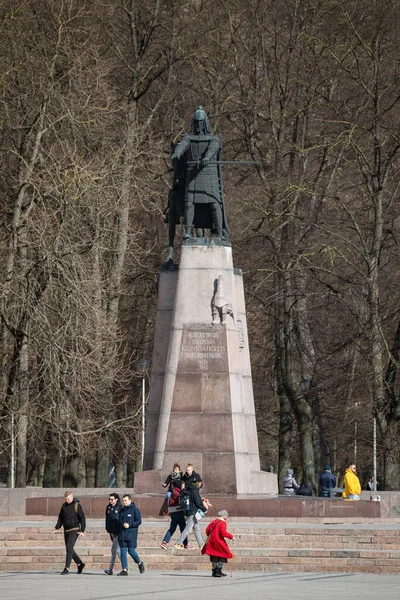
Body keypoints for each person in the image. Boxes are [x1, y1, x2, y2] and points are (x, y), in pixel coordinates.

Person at [171, 106, 229, 240]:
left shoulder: (213, 139)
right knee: (189, 204)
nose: (199, 125)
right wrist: (177, 153)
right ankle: (188, 231)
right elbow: (182, 146)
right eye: (197, 123)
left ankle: (220, 233)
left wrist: (207, 158)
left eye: (201, 123)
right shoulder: (188, 138)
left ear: (205, 123)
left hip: (209, 176)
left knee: (215, 204)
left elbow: (213, 148)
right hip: (193, 176)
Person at [52, 490, 86, 575]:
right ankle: (80, 564)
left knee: (69, 548)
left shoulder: (77, 505)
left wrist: (82, 530)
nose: (67, 501)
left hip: (74, 529)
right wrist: (57, 527)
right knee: (69, 548)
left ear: (72, 496)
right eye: (66, 499)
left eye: (68, 499)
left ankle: (67, 568)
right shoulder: (64, 506)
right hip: (66, 529)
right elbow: (61, 517)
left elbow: (82, 518)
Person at [117, 494, 145, 576]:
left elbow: (139, 521)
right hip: (122, 534)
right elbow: (119, 522)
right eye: (123, 500)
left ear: (130, 500)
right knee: (122, 552)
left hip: (131, 535)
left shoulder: (135, 510)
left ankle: (139, 563)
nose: (124, 502)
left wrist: (130, 525)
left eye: (125, 500)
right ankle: (124, 569)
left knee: (131, 551)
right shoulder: (121, 510)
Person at [174, 481, 208, 549]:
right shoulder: (194, 491)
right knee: (187, 529)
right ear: (196, 483)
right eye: (200, 483)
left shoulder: (187, 490)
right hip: (193, 512)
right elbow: (198, 502)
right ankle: (178, 542)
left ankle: (201, 544)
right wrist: (204, 509)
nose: (201, 485)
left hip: (188, 511)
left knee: (196, 529)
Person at [201, 509, 234, 577]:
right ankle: (218, 570)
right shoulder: (223, 522)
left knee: (214, 555)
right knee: (223, 555)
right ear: (224, 516)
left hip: (211, 541)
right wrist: (231, 537)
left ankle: (214, 571)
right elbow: (223, 533)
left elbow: (207, 530)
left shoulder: (214, 521)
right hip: (219, 541)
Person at [160, 480, 189, 550]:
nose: (183, 486)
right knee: (183, 528)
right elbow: (181, 500)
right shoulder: (178, 492)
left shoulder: (173, 491)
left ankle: (164, 542)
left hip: (173, 513)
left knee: (172, 529)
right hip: (178, 512)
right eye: (182, 485)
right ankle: (186, 544)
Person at [104, 492, 122, 575]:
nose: (110, 501)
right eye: (109, 499)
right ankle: (125, 567)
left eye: (112, 499)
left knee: (114, 550)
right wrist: (107, 527)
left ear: (116, 499)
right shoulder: (108, 507)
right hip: (111, 531)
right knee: (118, 551)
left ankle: (110, 569)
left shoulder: (120, 507)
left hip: (117, 532)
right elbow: (107, 519)